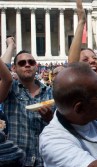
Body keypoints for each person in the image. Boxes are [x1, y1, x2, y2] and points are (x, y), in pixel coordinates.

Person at [0, 38, 53, 166]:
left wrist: (49, 118)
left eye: (31, 62)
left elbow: (60, 125)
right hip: (15, 161)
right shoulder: (10, 89)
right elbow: (4, 74)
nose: (27, 65)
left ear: (36, 65)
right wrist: (11, 46)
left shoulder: (51, 92)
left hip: (42, 161)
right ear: (14, 68)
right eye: (22, 63)